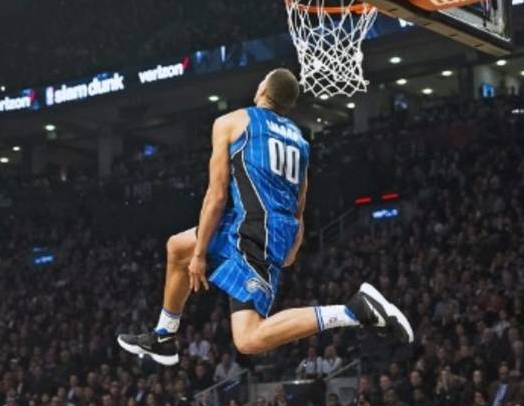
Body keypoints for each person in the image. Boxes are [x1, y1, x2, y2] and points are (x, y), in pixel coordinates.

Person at [118, 69, 413, 365]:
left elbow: (216, 195)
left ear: (262, 88)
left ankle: (353, 311)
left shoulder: (232, 122)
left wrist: (200, 253)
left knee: (249, 339)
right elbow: (300, 204)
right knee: (176, 246)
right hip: (263, 227)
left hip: (254, 232)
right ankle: (164, 336)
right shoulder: (300, 141)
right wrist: (292, 245)